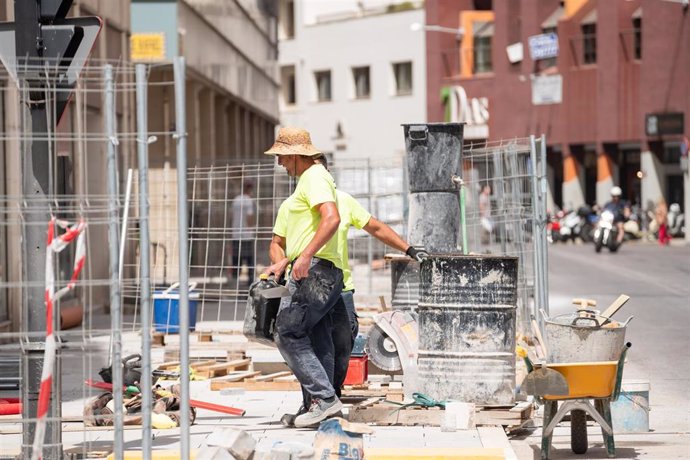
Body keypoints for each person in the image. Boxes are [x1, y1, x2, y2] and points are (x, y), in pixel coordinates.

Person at [262, 127, 345, 428]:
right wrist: (288, 259)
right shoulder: (311, 180)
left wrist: (307, 255)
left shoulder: (314, 177)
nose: (280, 164)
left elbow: (332, 218)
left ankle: (325, 400)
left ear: (296, 155)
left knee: (287, 331)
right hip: (319, 269)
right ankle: (319, 405)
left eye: (282, 157)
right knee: (316, 338)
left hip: (317, 271)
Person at [231, 182, 256, 283]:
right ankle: (250, 281)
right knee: (249, 259)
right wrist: (252, 227)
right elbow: (249, 217)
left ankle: (234, 280)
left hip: (236, 234)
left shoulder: (235, 200)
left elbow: (231, 216)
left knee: (237, 259)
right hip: (247, 235)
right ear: (250, 190)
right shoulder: (249, 201)